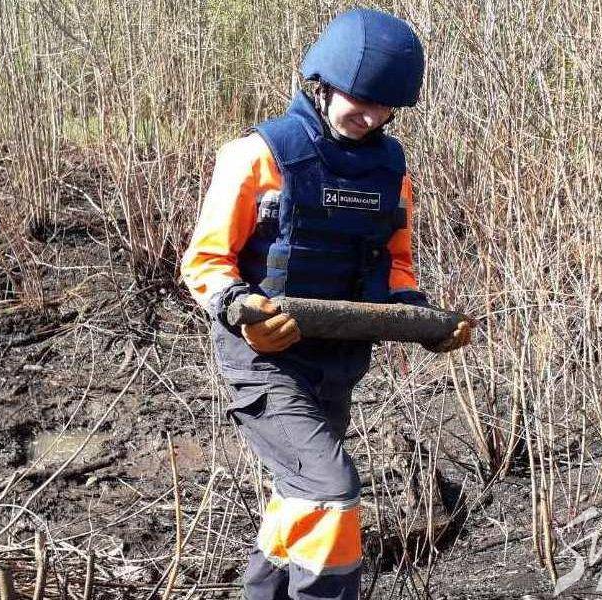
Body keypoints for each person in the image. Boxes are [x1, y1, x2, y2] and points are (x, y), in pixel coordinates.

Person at [181, 8, 472, 600]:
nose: (371, 116)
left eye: (385, 107)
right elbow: (205, 261)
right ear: (322, 82)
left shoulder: (391, 172)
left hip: (337, 362)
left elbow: (395, 264)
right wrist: (242, 310)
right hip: (264, 360)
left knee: (300, 498)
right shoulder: (257, 155)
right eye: (360, 100)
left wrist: (424, 322)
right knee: (330, 492)